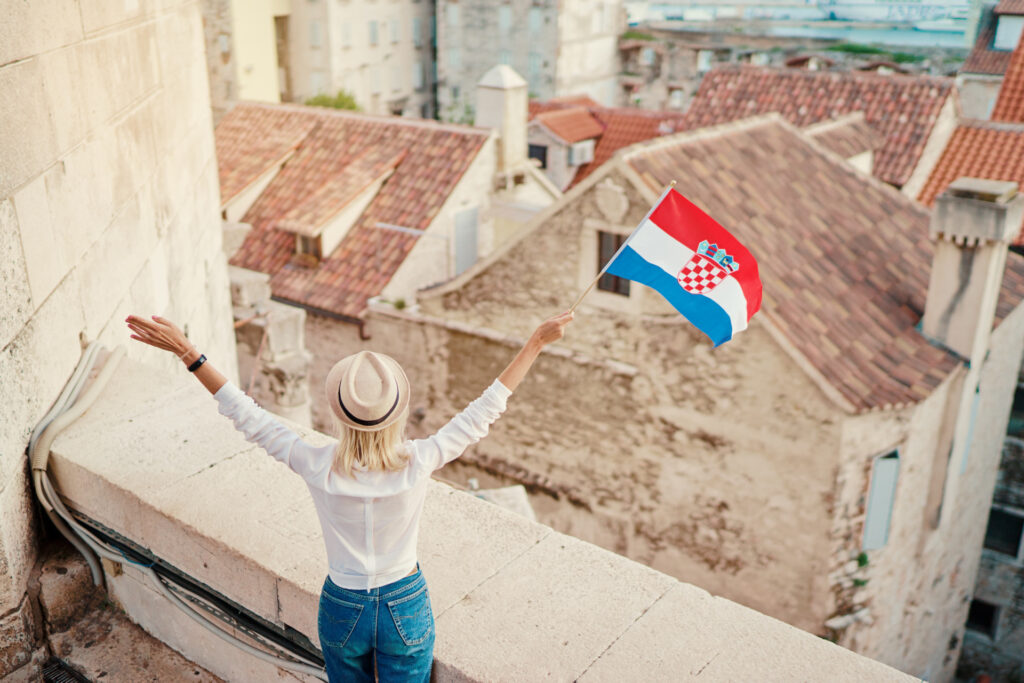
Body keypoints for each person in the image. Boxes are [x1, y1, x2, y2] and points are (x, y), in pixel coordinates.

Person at [125, 310, 574, 682]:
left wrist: (189, 353)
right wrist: (534, 342)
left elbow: (246, 414)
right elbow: (484, 411)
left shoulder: (316, 463)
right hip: (405, 600)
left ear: (340, 414)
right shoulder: (418, 461)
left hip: (343, 603)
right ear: (396, 413)